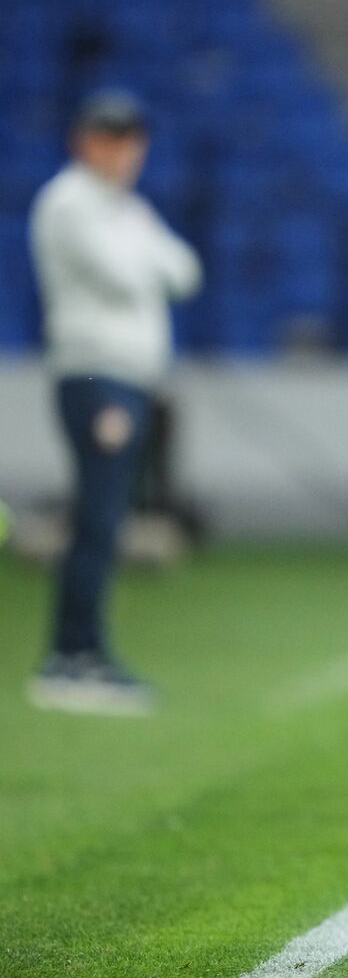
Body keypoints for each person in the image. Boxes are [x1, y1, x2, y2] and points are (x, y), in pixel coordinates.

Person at [26, 89, 202, 717]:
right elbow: (126, 274)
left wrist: (147, 259)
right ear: (85, 141)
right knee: (97, 519)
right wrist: (147, 259)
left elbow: (185, 270)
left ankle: (82, 653)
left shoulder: (125, 207)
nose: (123, 150)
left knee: (105, 517)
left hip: (125, 377)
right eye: (110, 137)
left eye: (130, 138)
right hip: (96, 376)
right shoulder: (70, 202)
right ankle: (72, 658)